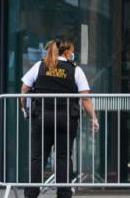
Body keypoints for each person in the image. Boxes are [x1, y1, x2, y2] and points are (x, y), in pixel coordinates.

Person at [20, 39, 99, 198]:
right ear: (68, 52)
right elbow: (85, 98)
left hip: (42, 117)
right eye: (73, 51)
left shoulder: (40, 65)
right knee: (63, 156)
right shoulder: (75, 70)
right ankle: (64, 193)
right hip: (65, 119)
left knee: (37, 157)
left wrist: (25, 108)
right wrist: (94, 118)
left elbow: (24, 88)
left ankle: (31, 193)